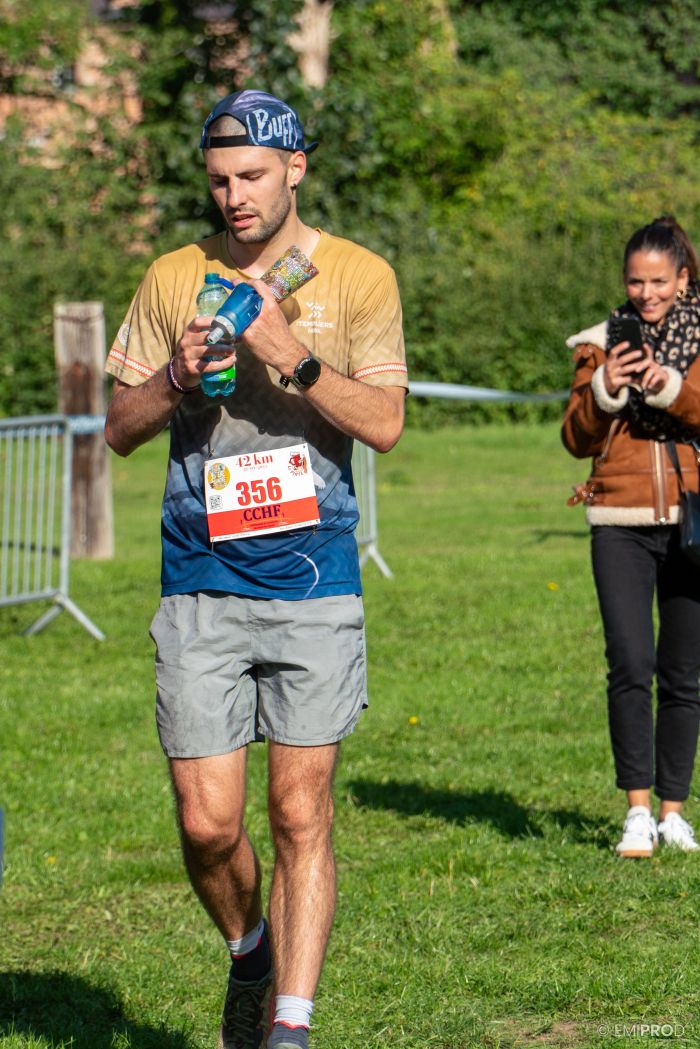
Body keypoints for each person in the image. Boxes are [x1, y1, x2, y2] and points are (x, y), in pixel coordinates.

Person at [104, 89, 408, 1049]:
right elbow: (115, 428)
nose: (233, 197)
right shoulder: (172, 277)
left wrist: (296, 359)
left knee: (299, 807)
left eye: (251, 177)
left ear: (295, 170)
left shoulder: (359, 277)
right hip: (199, 579)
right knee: (206, 823)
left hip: (315, 581)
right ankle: (250, 950)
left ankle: (290, 1025)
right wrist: (177, 378)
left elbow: (388, 425)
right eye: (219, 181)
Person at [562, 215, 700, 858]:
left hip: (692, 522)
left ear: (682, 276)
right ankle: (637, 812)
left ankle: (676, 811)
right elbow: (574, 438)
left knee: (684, 673)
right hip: (619, 523)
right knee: (631, 665)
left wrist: (668, 386)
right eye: (634, 281)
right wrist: (604, 388)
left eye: (658, 281)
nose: (646, 294)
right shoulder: (597, 343)